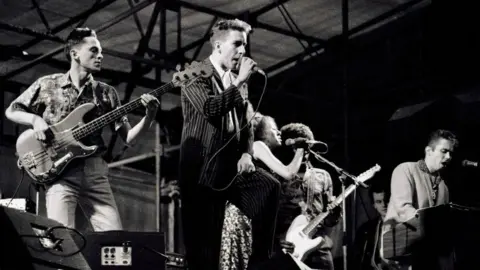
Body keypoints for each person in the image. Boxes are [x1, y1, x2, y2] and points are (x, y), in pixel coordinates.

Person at [5, 27, 159, 231]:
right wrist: (35, 120)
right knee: (62, 240)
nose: (100, 55)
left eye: (101, 51)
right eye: (94, 50)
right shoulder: (48, 84)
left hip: (95, 172)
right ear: (74, 54)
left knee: (115, 238)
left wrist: (150, 116)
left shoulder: (106, 93)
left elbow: (129, 137)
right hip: (59, 172)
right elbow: (12, 110)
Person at [179, 19, 281, 270]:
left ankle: (261, 261)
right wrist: (238, 83)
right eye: (237, 44)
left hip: (229, 169)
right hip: (201, 172)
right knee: (205, 249)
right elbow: (210, 109)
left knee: (269, 186)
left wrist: (247, 153)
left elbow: (246, 124)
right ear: (217, 46)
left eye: (244, 45)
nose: (242, 51)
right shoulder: (195, 74)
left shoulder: (237, 80)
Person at [219, 114, 305, 270]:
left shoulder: (265, 158)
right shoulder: (257, 145)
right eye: (274, 129)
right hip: (242, 217)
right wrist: (300, 150)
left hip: (251, 217)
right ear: (264, 133)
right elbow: (289, 173)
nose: (279, 133)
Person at [383, 129, 458, 270]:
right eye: (444, 151)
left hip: (428, 254)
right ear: (429, 151)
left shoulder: (444, 186)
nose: (448, 157)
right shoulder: (405, 169)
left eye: (451, 153)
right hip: (402, 251)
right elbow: (403, 209)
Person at [277, 123, 341, 270]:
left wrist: (335, 212)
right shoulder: (276, 178)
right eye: (298, 147)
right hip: (286, 251)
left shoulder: (323, 176)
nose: (304, 151)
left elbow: (330, 221)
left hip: (319, 249)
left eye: (307, 147)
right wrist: (278, 241)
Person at [353, 185, 403, 270]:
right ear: (374, 205)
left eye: (386, 200)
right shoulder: (365, 229)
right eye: (379, 202)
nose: (384, 205)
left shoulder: (405, 223)